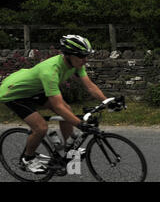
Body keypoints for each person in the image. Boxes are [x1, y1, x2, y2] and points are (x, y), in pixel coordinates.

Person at [0, 35, 116, 174]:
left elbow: (90, 86)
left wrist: (107, 102)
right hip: (14, 93)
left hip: (34, 89)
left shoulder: (75, 64)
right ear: (68, 55)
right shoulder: (51, 70)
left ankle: (67, 147)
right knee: (41, 127)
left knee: (67, 109)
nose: (85, 60)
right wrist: (80, 124)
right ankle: (27, 159)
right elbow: (57, 106)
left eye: (86, 56)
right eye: (81, 56)